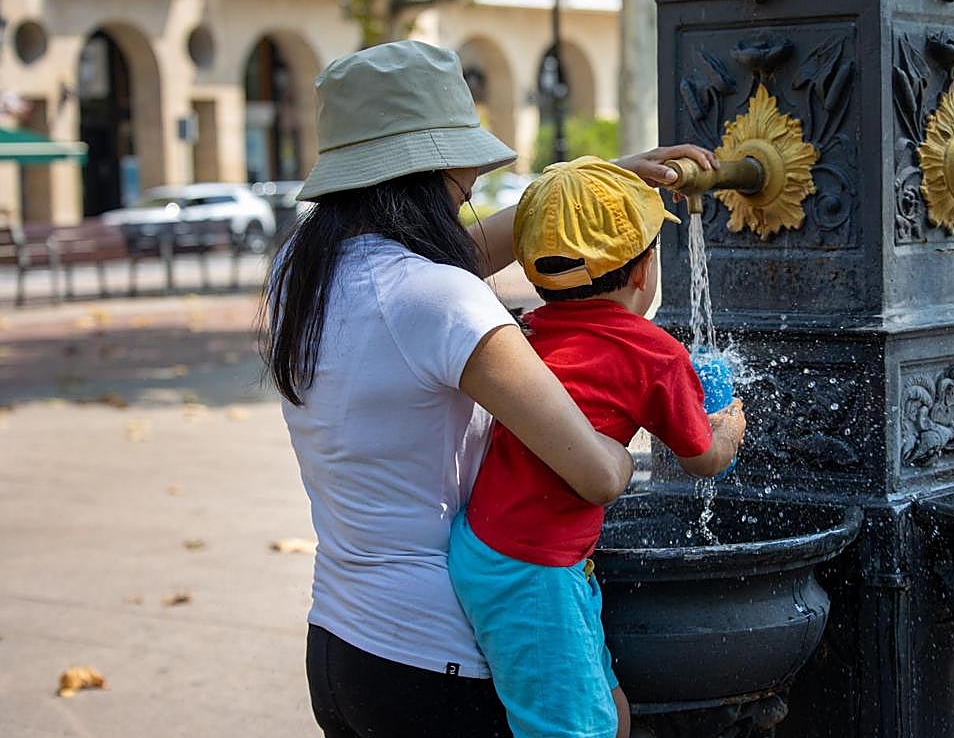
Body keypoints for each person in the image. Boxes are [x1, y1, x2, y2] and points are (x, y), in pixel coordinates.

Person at [262, 40, 719, 738]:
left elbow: (448, 261)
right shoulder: (440, 301)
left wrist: (604, 185)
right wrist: (631, 448)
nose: (472, 189)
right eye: (465, 175)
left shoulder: (304, 267)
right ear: (432, 168)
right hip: (439, 661)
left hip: (342, 647)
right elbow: (595, 474)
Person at [448, 156, 748, 738]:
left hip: (499, 544)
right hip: (533, 568)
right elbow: (700, 459)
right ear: (643, 272)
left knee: (610, 716)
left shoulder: (529, 328)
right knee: (573, 730)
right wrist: (729, 426)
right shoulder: (655, 354)